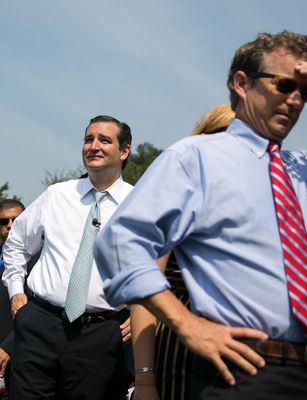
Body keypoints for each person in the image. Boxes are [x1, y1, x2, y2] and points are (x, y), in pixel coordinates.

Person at [95, 31, 307, 400]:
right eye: (285, 85)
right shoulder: (195, 160)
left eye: (306, 92)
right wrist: (186, 325)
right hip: (242, 372)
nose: (295, 100)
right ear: (242, 83)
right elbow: (120, 243)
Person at [2, 115, 133, 400]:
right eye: (89, 139)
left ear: (124, 151)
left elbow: (158, 269)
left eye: (104, 140)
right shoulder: (57, 195)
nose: (93, 146)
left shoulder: (141, 205)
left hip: (99, 335)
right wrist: (15, 291)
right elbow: (16, 245)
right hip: (38, 324)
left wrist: (141, 314)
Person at [132, 103, 235, 400]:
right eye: (223, 136)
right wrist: (145, 381)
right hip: (179, 344)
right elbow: (144, 290)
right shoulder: (176, 196)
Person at [0, 199, 25, 399]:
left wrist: (9, 346)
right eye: (3, 221)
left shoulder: (41, 262)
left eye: (16, 220)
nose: (9, 225)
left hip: (23, 356)